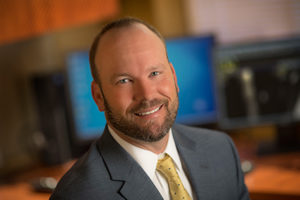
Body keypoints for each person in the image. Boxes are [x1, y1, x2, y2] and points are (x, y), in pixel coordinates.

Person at [50, 17, 250, 200]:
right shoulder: (78, 195)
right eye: (124, 80)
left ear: (173, 76)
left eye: (155, 73)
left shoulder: (221, 150)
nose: (147, 95)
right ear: (98, 96)